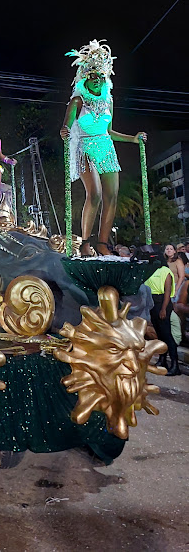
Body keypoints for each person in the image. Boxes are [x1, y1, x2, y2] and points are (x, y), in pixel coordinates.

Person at [60, 40, 146, 256]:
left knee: (112, 196)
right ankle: (85, 242)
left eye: (101, 75)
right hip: (85, 148)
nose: (97, 79)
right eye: (93, 75)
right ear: (85, 77)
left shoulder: (109, 100)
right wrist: (64, 131)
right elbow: (66, 126)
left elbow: (109, 131)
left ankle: (102, 243)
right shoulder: (77, 101)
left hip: (106, 149)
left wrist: (133, 139)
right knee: (95, 193)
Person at [144, 264, 181, 375]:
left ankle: (175, 365)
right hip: (152, 302)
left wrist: (164, 309)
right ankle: (162, 359)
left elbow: (167, 292)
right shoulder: (150, 269)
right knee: (160, 335)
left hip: (162, 303)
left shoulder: (165, 271)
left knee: (166, 335)